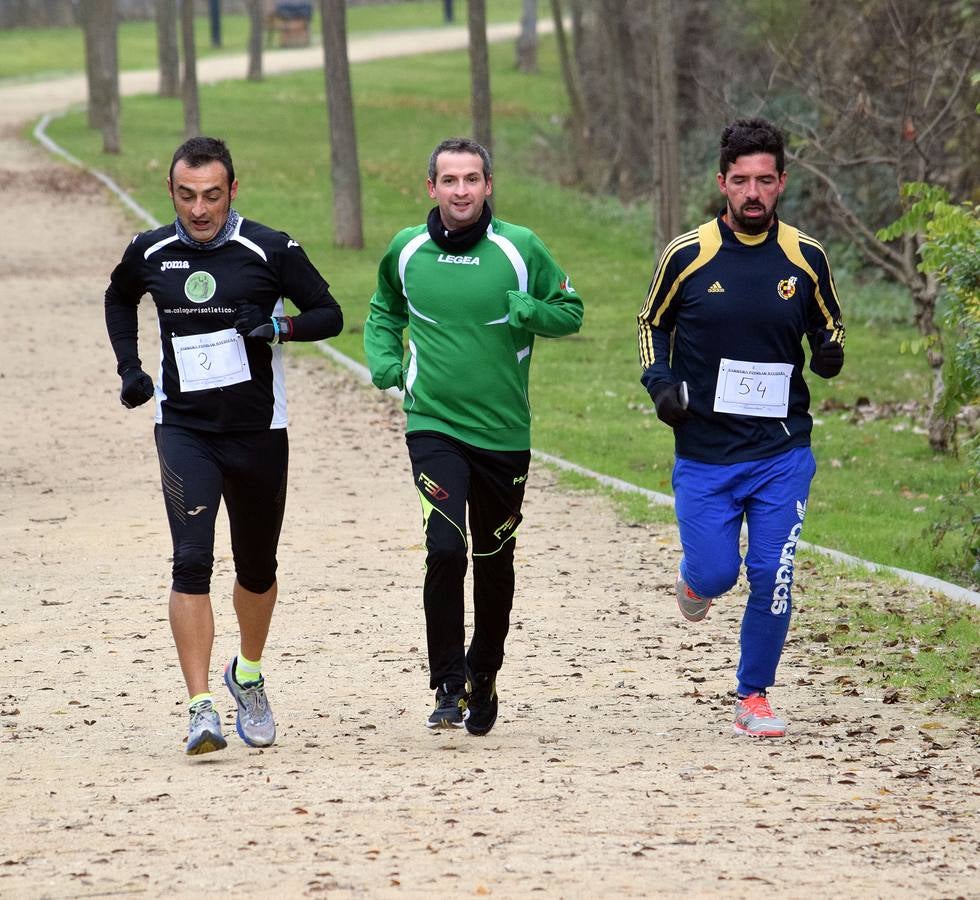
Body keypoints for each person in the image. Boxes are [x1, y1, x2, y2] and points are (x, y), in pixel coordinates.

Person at [104, 136, 343, 755]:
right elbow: (118, 295)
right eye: (187, 196)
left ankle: (249, 675)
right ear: (172, 193)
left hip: (259, 431)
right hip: (184, 430)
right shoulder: (151, 250)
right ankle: (199, 706)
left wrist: (278, 326)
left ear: (233, 190)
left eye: (212, 195)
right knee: (190, 562)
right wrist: (131, 368)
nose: (200, 209)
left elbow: (329, 313)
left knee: (257, 567)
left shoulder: (269, 248)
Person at [364, 137, 584, 734]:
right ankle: (447, 682)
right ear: (430, 188)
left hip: (504, 432)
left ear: (488, 186)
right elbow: (384, 309)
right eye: (449, 180)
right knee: (445, 548)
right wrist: (385, 363)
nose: (461, 191)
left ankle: (484, 671)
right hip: (433, 422)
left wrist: (529, 311)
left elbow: (571, 311)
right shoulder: (406, 250)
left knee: (492, 559)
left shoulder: (520, 248)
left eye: (472, 180)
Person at [636, 117, 845, 738]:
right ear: (722, 183)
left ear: (782, 183)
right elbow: (652, 324)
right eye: (740, 181)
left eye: (765, 181)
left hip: (782, 450)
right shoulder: (688, 254)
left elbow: (829, 323)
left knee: (773, 574)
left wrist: (829, 350)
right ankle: (695, 583)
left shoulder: (805, 257)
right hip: (705, 451)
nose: (753, 193)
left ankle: (753, 693)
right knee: (718, 574)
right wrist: (661, 383)